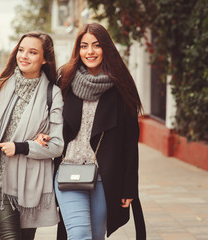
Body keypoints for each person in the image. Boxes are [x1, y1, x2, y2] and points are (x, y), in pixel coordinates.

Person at [53, 22, 146, 240]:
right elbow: (51, 119)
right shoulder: (65, 80)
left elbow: (130, 142)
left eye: (96, 45)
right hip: (67, 171)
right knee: (80, 235)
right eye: (84, 46)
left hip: (104, 176)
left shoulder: (120, 87)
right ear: (78, 50)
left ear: (106, 48)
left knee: (95, 236)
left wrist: (129, 187)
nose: (90, 52)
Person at [0, 32, 64, 240]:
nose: (24, 56)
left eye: (32, 52)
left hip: (32, 185)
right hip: (1, 182)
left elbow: (56, 145)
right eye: (21, 50)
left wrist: (22, 147)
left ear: (44, 59)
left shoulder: (52, 93)